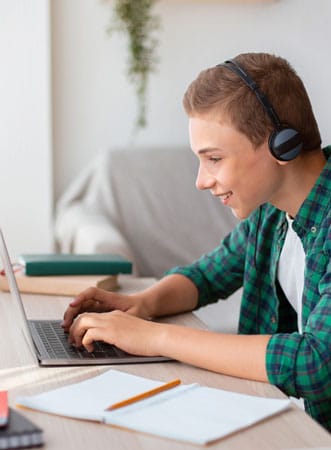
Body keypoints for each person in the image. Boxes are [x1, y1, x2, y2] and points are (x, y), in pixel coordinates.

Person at [62, 52, 331, 431]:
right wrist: (142, 304)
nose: (201, 181)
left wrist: (156, 337)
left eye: (215, 159)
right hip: (281, 418)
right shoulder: (271, 213)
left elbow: (316, 362)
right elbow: (209, 274)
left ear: (281, 147)